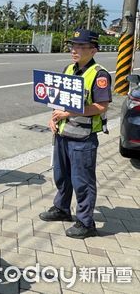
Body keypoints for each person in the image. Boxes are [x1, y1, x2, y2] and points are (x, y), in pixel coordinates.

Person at [39, 29, 111, 239]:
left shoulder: (99, 75)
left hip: (83, 137)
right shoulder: (69, 69)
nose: (74, 50)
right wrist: (54, 118)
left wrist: (68, 113)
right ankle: (61, 209)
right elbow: (59, 100)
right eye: (73, 45)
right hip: (63, 134)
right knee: (61, 176)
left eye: (80, 46)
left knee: (82, 181)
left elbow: (101, 106)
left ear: (93, 50)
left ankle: (86, 223)